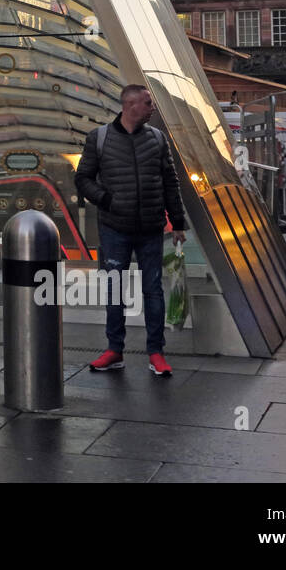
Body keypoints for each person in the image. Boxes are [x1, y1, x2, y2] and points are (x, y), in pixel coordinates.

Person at [74, 84, 187, 377]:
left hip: (150, 228)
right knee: (114, 290)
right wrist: (107, 200)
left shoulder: (158, 139)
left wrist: (178, 221)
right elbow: (83, 179)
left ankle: (156, 353)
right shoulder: (99, 138)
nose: (152, 108)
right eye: (148, 103)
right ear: (131, 105)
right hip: (115, 228)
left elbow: (170, 182)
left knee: (153, 290)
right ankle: (115, 350)